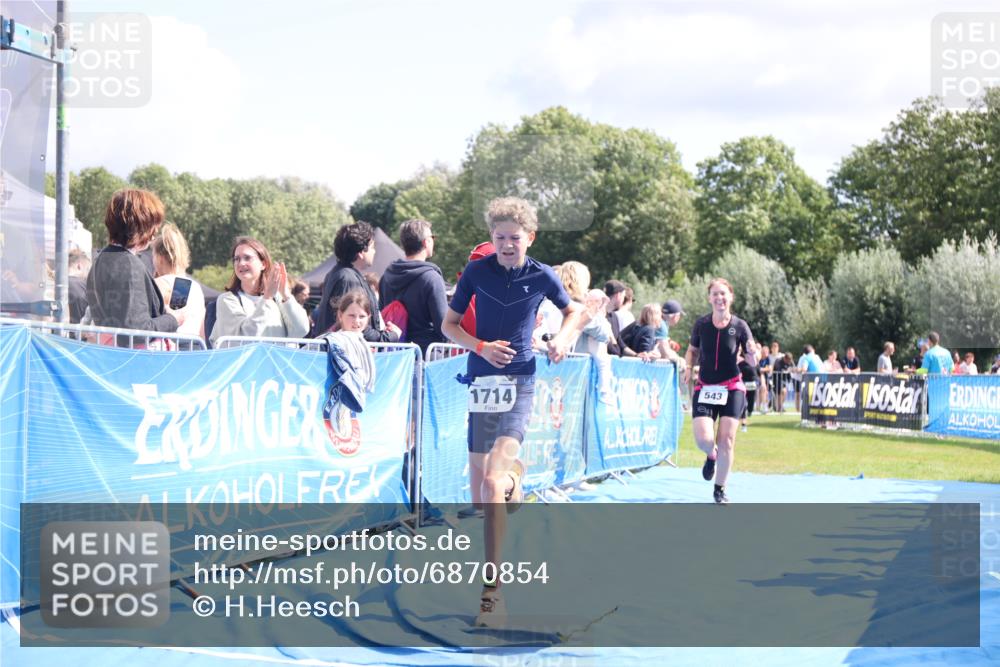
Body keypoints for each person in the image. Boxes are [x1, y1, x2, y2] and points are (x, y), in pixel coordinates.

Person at [440, 197, 583, 628]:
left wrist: (562, 338)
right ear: (491, 238)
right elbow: (449, 325)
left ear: (530, 238)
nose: (506, 245)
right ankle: (515, 480)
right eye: (499, 237)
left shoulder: (541, 275)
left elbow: (574, 311)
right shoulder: (476, 273)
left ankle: (491, 591)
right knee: (481, 498)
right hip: (482, 382)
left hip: (520, 381)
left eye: (514, 238)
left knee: (489, 481)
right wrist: (480, 346)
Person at [683, 277, 757, 505]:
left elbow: (753, 361)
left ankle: (720, 489)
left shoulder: (741, 326)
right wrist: (688, 367)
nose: (719, 297)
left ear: (730, 297)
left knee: (726, 439)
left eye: (723, 293)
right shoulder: (701, 324)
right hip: (706, 386)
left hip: (732, 386)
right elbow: (692, 351)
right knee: (704, 440)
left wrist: (753, 353)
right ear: (709, 298)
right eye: (715, 294)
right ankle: (711, 455)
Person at [86, 189, 183, 337]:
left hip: (110, 352)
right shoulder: (129, 265)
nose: (155, 232)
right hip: (135, 357)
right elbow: (137, 331)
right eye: (153, 225)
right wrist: (172, 319)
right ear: (140, 225)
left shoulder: (100, 260)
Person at [210, 237, 310, 345]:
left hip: (279, 361)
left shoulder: (277, 298)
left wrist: (285, 294)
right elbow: (246, 337)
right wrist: (266, 298)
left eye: (247, 258)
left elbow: (301, 330)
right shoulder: (227, 300)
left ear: (263, 264)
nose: (241, 263)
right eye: (236, 259)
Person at [311, 221, 400, 341]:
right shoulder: (348, 279)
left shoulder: (340, 274)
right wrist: (390, 336)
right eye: (372, 247)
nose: (374, 251)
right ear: (361, 253)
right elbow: (355, 326)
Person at [379, 218, 448, 354]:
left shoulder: (386, 276)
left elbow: (380, 316)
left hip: (394, 353)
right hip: (424, 354)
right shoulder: (431, 278)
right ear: (426, 242)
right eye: (432, 237)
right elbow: (444, 326)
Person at [152, 222, 206, 339]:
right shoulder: (192, 285)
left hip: (171, 349)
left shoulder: (161, 284)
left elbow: (177, 321)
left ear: (160, 258)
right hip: (195, 348)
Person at [67, 248, 91, 324]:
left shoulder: (54, 284)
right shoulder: (87, 286)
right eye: (87, 269)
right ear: (79, 266)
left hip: (52, 335)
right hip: (78, 334)